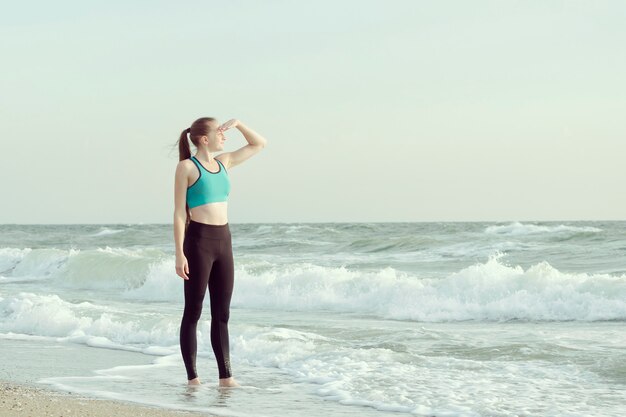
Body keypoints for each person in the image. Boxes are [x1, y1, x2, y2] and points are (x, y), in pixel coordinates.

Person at [173, 117, 267, 387]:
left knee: (222, 314)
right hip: (198, 242)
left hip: (223, 241)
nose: (224, 136)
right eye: (220, 132)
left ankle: (226, 376)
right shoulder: (187, 167)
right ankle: (193, 378)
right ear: (204, 139)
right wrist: (179, 253)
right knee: (193, 311)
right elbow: (180, 213)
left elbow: (259, 144)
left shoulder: (224, 162)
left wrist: (238, 124)